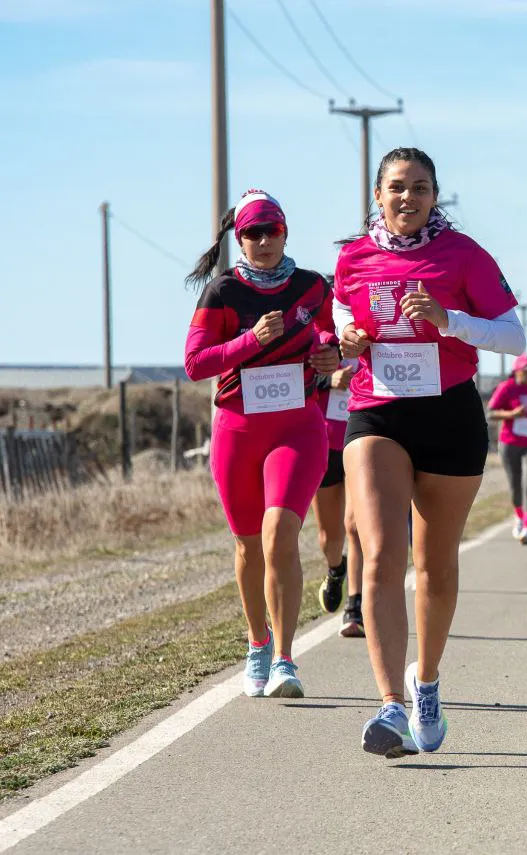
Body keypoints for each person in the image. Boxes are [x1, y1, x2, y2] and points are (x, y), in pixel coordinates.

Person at [333, 148, 524, 758]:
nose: (407, 197)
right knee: (383, 552)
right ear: (377, 195)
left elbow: (513, 336)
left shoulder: (465, 255)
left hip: (449, 412)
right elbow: (341, 325)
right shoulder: (352, 257)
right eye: (396, 187)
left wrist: (450, 319)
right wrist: (349, 339)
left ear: (434, 195)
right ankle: (390, 706)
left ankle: (428, 679)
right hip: (377, 410)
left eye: (419, 187)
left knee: (435, 566)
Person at [184, 189, 339, 699]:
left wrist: (330, 358)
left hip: (298, 426)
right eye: (253, 233)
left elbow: (335, 341)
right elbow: (196, 363)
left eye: (272, 230)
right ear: (239, 238)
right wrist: (253, 340)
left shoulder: (313, 287)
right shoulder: (223, 293)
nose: (264, 240)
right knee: (249, 543)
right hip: (239, 430)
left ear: (286, 231)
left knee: (279, 534)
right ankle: (258, 642)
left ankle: (285, 660)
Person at [313, 357, 367, 638]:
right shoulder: (318, 338)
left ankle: (354, 606)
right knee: (328, 537)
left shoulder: (370, 333)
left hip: (363, 439)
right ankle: (336, 569)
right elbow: (293, 378)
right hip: (324, 442)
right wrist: (328, 380)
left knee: (355, 526)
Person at [489, 354, 527, 544]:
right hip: (510, 442)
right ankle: (519, 517)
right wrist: (512, 414)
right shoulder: (506, 388)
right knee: (515, 483)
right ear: (517, 371)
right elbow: (491, 413)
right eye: (526, 369)